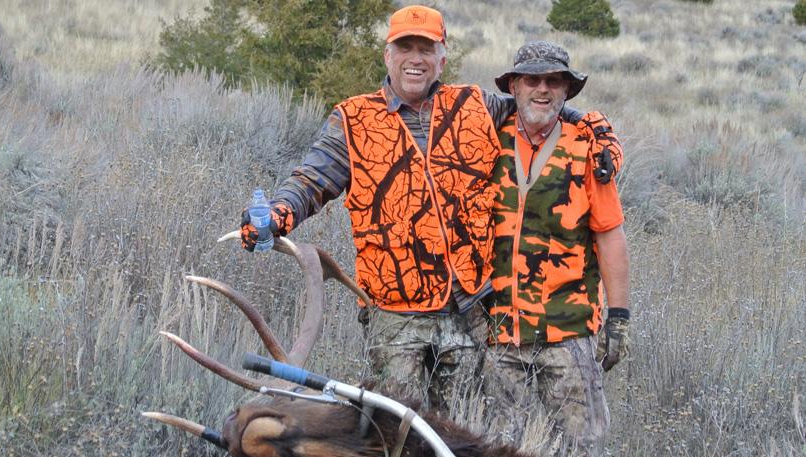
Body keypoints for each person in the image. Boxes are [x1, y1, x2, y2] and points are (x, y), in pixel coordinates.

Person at [241, 6, 621, 411]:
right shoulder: (354, 120)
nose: (416, 59)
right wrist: (276, 217)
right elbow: (310, 181)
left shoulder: (474, 105)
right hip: (395, 316)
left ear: (442, 58)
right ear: (388, 55)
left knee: (461, 437)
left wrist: (596, 126)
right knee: (394, 436)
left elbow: (536, 103)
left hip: (469, 312)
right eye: (405, 47)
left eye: (427, 48)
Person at [482, 40, 630, 457]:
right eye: (532, 80)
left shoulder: (589, 151)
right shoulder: (486, 142)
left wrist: (618, 317)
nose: (542, 90)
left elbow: (610, 236)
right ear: (514, 85)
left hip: (567, 333)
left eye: (554, 81)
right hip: (497, 332)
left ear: (567, 89)